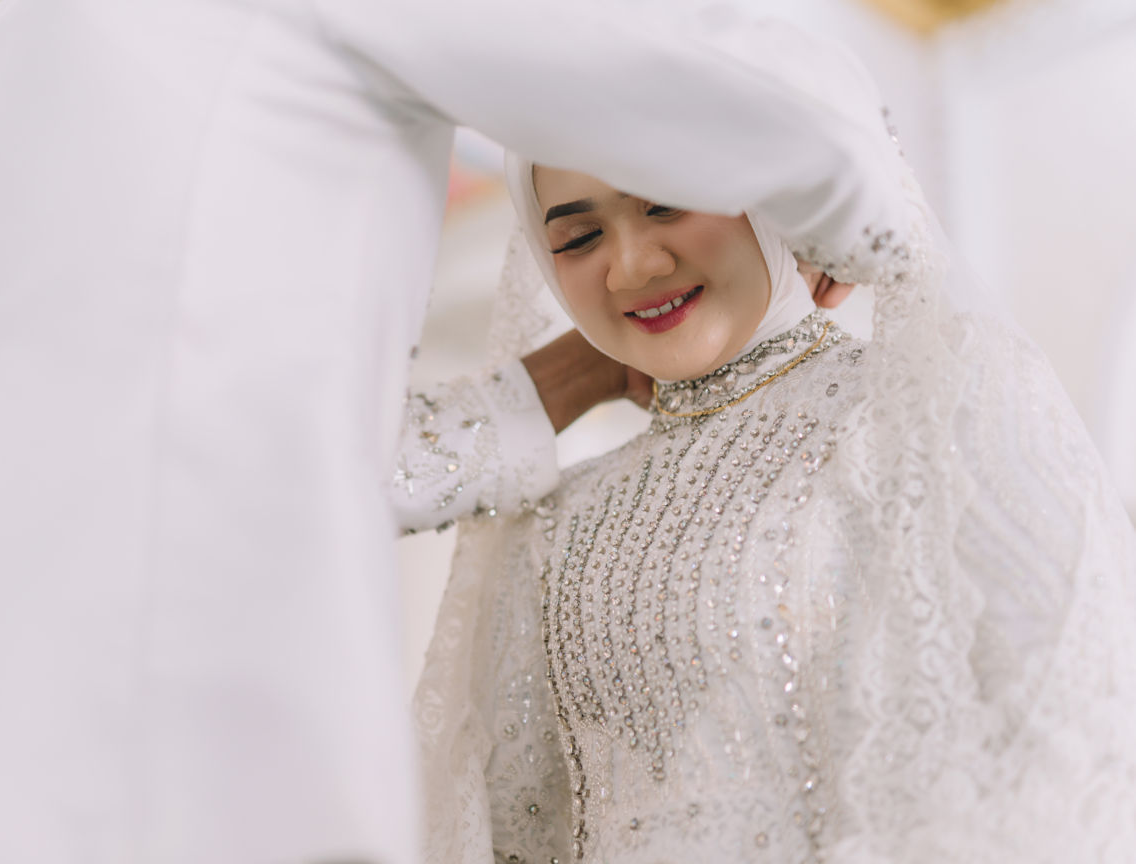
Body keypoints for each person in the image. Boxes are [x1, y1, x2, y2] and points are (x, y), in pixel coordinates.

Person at [0, 3, 918, 862]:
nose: (631, 261)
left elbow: (215, 439)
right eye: (581, 231)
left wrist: (564, 379)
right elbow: (736, 91)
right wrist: (860, 226)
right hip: (146, 745)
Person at [401, 33, 1136, 864]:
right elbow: (510, 832)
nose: (631, 267)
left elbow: (1069, 753)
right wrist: (564, 377)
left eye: (665, 202)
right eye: (577, 239)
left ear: (776, 197)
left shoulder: (938, 410)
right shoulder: (554, 524)